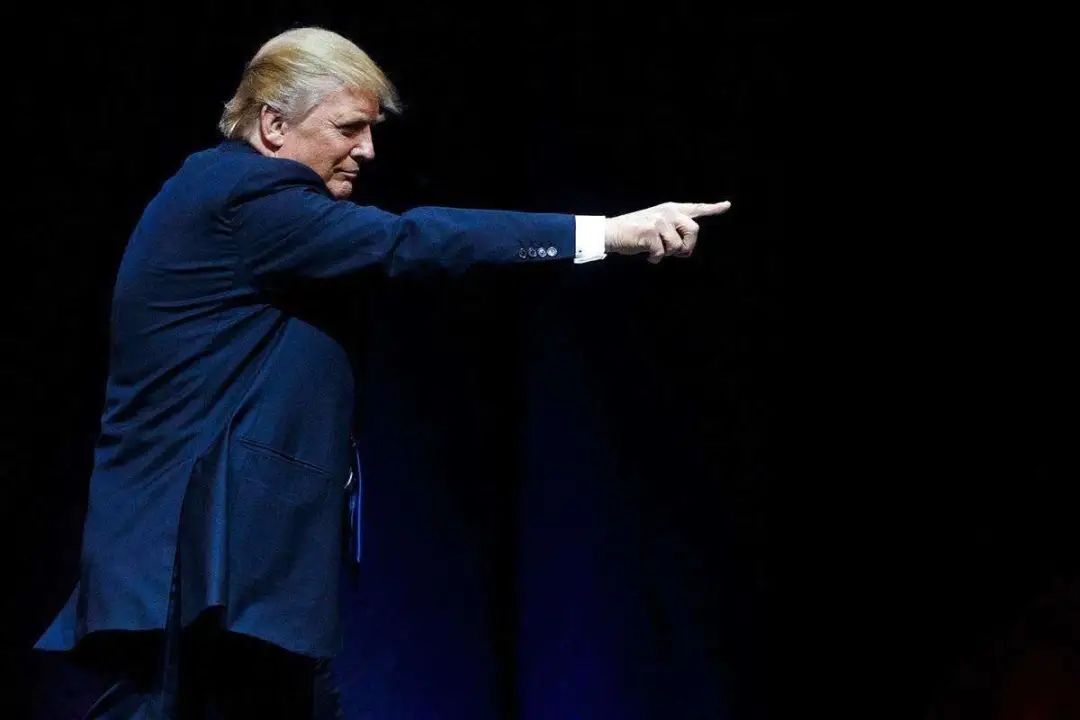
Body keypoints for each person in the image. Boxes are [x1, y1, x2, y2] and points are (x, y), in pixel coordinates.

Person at [33, 26, 731, 717]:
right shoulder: (247, 198)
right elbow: (409, 241)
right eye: (348, 128)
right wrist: (604, 234)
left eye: (370, 130)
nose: (367, 150)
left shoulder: (227, 194)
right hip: (198, 562)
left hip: (225, 569)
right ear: (273, 125)